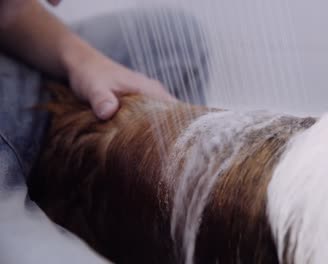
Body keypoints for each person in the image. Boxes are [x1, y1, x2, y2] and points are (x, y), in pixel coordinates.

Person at [0, 0, 208, 263]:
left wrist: (82, 60)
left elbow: (8, 11)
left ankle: (160, 230)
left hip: (13, 78)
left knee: (178, 40)